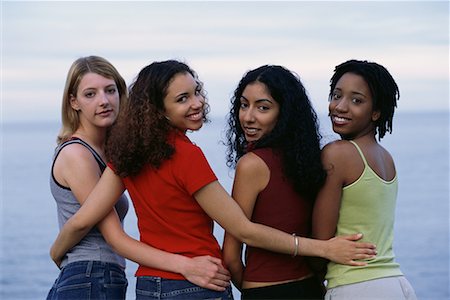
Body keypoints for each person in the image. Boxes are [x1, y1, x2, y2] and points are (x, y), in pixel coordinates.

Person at [50, 59, 377, 300]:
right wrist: (325, 248)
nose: (197, 104)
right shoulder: (185, 155)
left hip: (148, 287)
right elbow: (242, 228)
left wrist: (57, 253)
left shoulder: (125, 155)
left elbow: (96, 227)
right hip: (198, 282)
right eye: (183, 99)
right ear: (158, 110)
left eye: (196, 92)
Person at [47, 56, 231, 300]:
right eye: (90, 94)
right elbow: (95, 228)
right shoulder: (78, 154)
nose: (103, 101)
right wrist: (56, 252)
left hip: (103, 276)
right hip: (91, 275)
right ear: (74, 102)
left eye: (110, 90)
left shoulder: (119, 152)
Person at [222, 64, 330, 299]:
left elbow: (230, 257)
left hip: (267, 290)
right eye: (243, 105)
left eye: (263, 107)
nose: (248, 117)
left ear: (285, 113)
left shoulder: (252, 165)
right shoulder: (310, 162)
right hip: (312, 288)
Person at [312, 59, 417, 299]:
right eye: (336, 95)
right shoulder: (386, 158)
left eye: (356, 100)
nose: (340, 106)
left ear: (376, 112)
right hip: (397, 284)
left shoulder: (337, 153)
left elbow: (321, 242)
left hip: (357, 286)